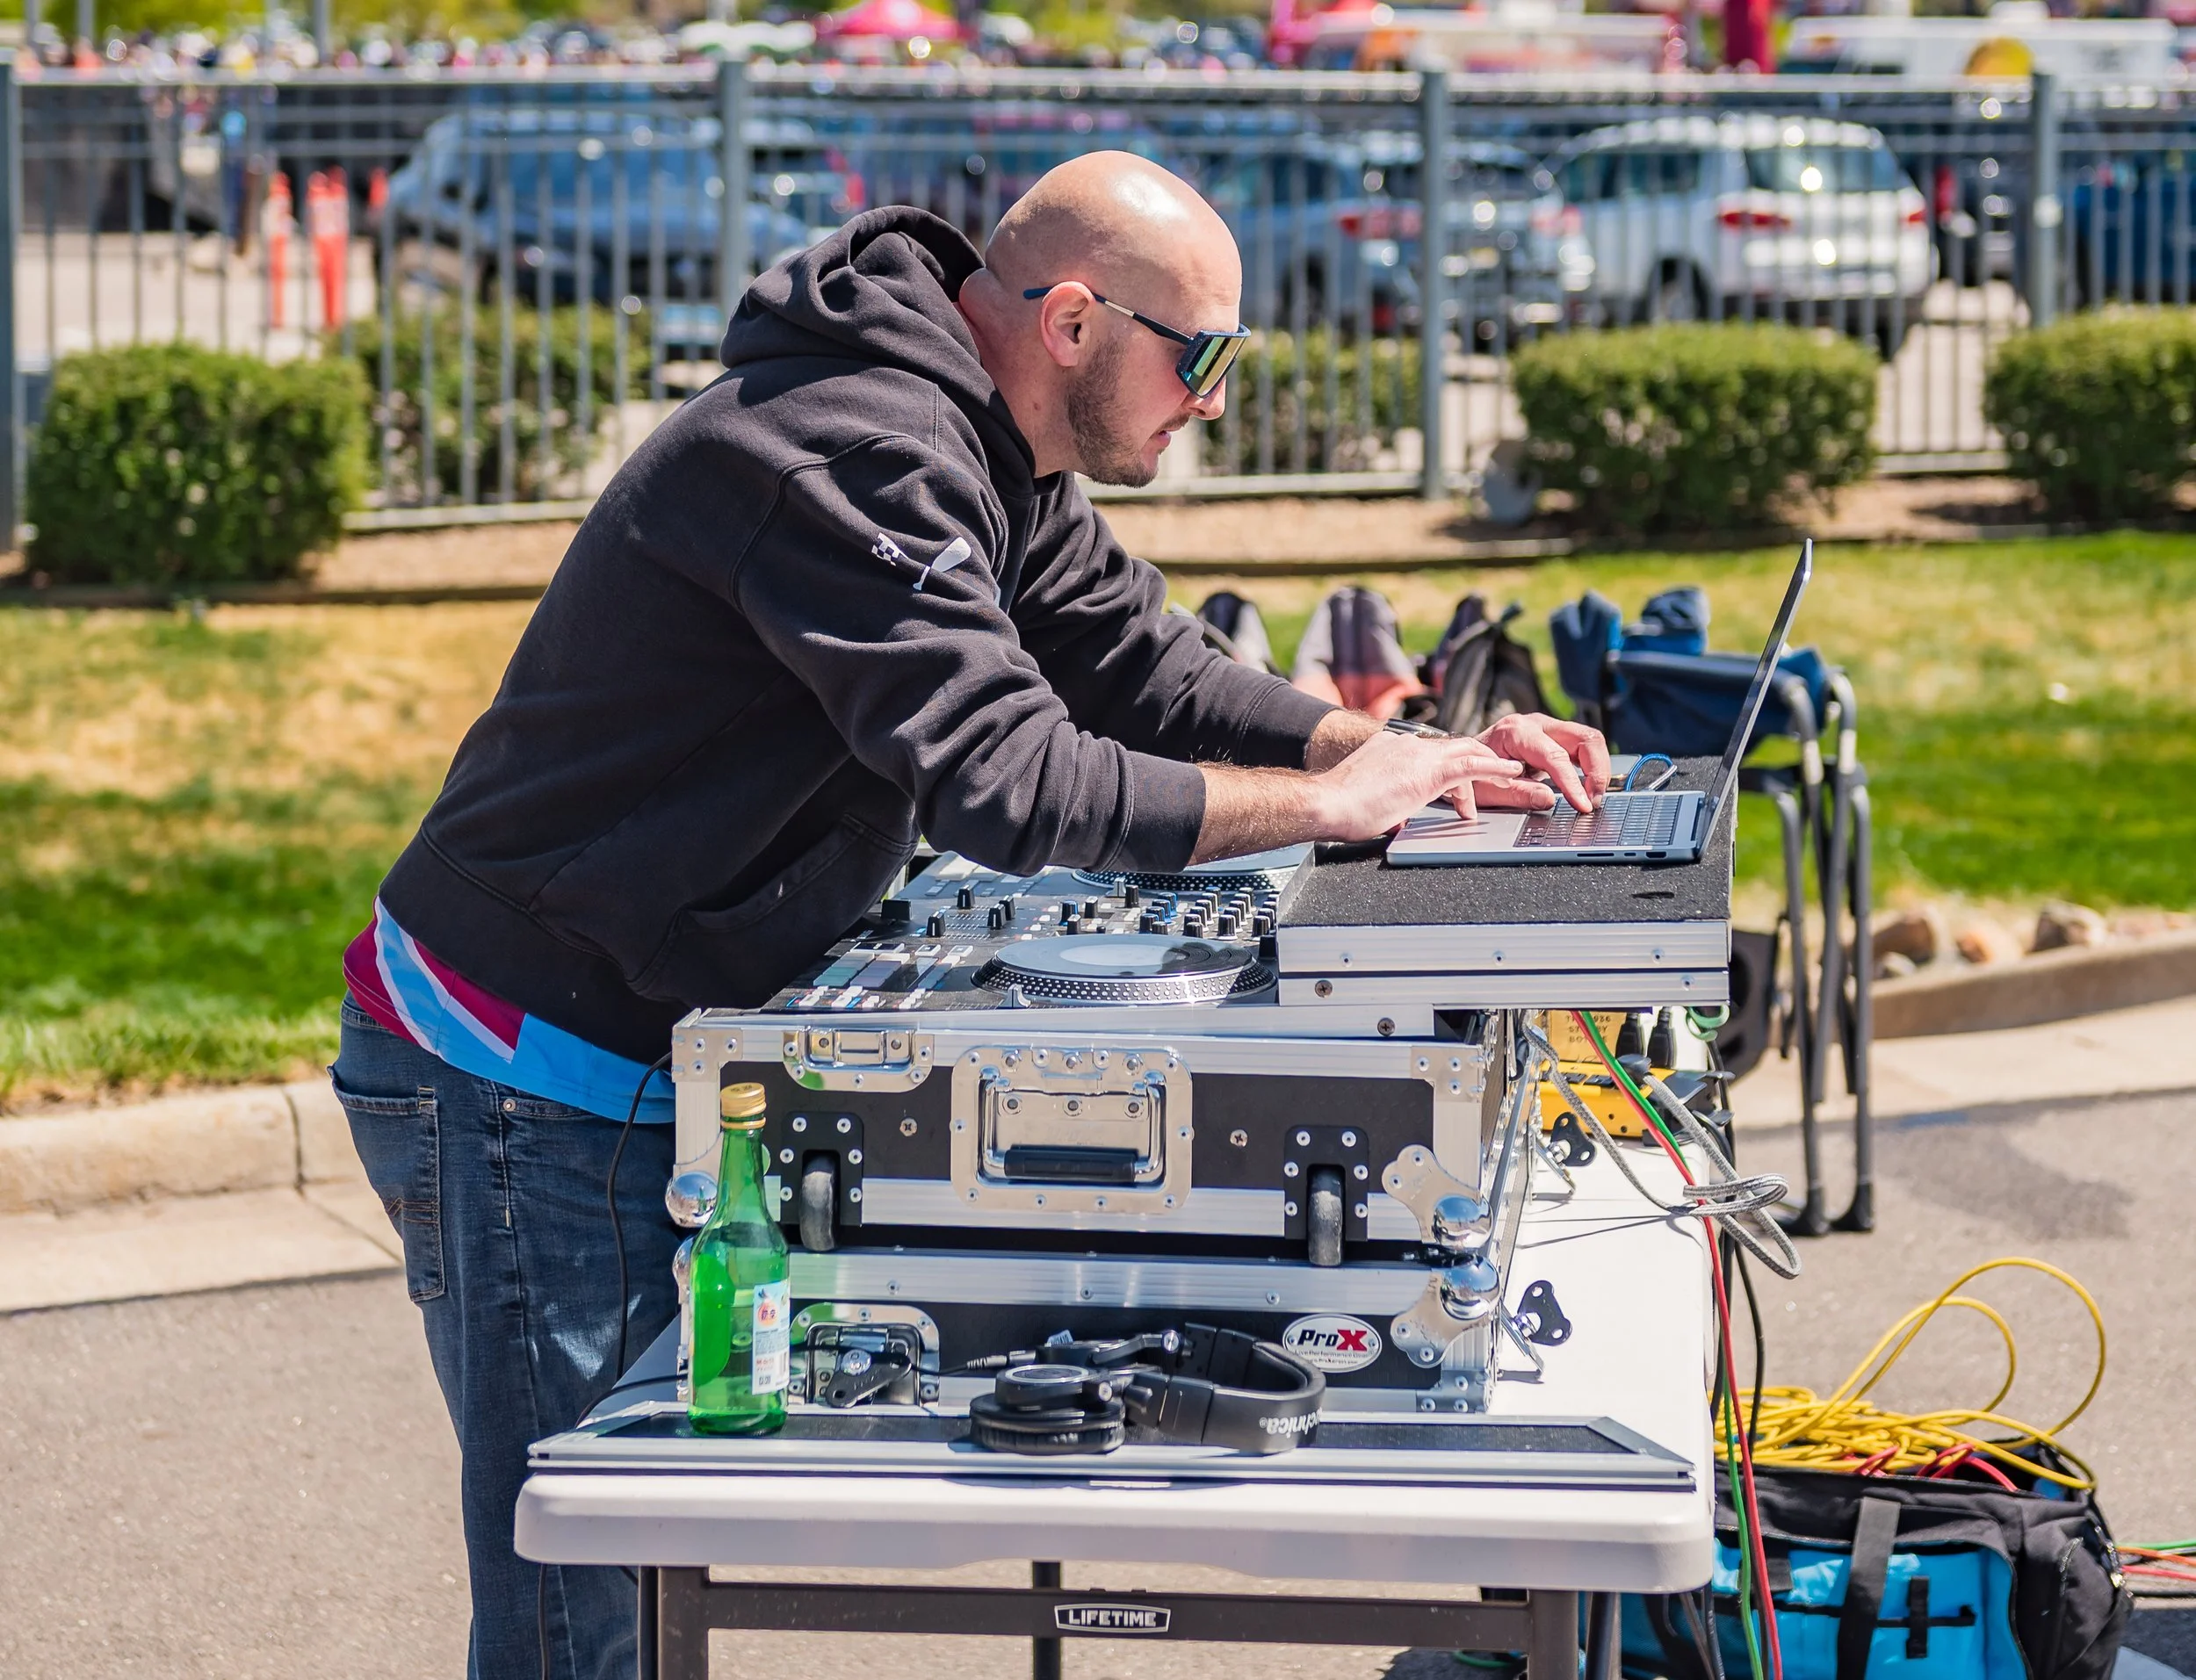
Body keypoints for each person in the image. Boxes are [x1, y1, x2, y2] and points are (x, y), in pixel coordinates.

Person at [330, 151, 1608, 1679]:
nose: (1211, 400)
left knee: (640, 1570)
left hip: (638, 1029)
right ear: (1074, 322)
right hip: (515, 1057)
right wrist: (1333, 812)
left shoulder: (987, 444)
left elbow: (1141, 661)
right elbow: (1009, 782)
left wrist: (1393, 752)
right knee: (585, 1603)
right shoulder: (846, 451)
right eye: (1200, 359)